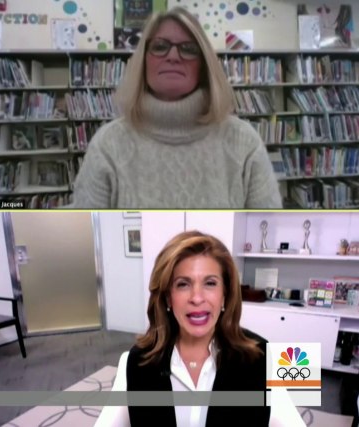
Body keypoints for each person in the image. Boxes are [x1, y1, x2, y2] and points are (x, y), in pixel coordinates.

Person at [72, 7, 281, 208]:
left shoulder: (243, 142)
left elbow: (265, 230)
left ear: (204, 66)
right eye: (160, 46)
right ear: (143, 60)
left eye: (188, 49)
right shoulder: (108, 145)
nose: (173, 56)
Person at [94, 231, 303, 427]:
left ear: (225, 294)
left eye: (210, 283)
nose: (197, 298)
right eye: (183, 284)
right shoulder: (136, 361)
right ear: (168, 297)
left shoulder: (262, 356)